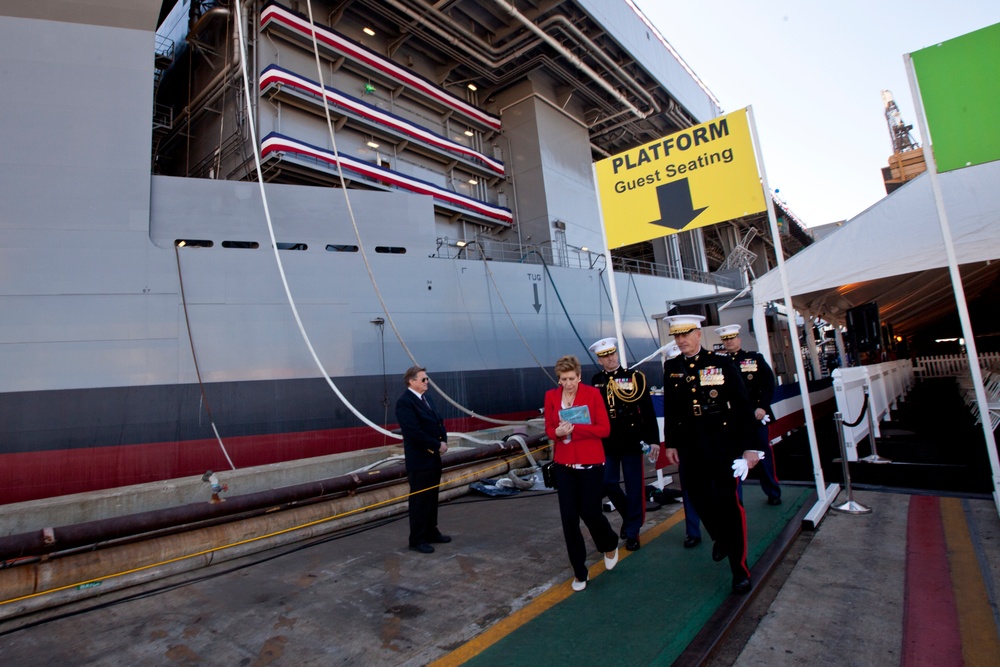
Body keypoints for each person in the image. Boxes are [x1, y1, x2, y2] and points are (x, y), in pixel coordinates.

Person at [661, 315, 760, 595]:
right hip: (691, 444)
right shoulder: (672, 367)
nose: (680, 341)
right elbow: (671, 407)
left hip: (721, 442)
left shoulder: (721, 363)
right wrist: (671, 442)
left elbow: (742, 405)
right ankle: (720, 536)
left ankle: (739, 571)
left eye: (685, 335)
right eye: (676, 336)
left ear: (698, 334)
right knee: (698, 496)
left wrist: (750, 446)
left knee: (729, 504)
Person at [544, 355, 620, 592]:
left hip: (590, 464)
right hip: (564, 466)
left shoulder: (592, 394)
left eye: (571, 379)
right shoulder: (551, 397)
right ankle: (579, 571)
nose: (567, 384)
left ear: (579, 377)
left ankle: (609, 542)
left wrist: (575, 429)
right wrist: (556, 431)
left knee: (591, 513)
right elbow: (548, 427)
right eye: (563, 379)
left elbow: (604, 429)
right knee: (569, 520)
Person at [589, 337, 661, 551]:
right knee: (609, 483)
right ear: (599, 360)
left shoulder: (634, 377)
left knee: (634, 486)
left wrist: (653, 441)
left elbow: (647, 410)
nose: (610, 358)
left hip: (631, 440)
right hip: (607, 442)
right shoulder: (596, 380)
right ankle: (630, 517)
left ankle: (632, 532)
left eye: (612, 354)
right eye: (605, 356)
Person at [715, 324, 782, 505]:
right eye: (725, 339)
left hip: (755, 416)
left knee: (762, 455)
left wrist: (762, 407)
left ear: (739, 339)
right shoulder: (719, 363)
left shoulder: (753, 359)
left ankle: (773, 492)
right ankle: (737, 499)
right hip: (731, 420)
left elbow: (768, 384)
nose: (729, 342)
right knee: (733, 459)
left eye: (732, 338)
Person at [396, 366, 451, 554]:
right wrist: (436, 445)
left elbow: (438, 422)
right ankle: (417, 538)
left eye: (427, 379)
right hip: (420, 459)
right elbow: (413, 431)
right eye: (423, 379)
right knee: (420, 499)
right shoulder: (405, 403)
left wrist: (443, 441)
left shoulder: (427, 399)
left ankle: (431, 531)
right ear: (411, 381)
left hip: (433, 457)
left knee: (432, 496)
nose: (427, 382)